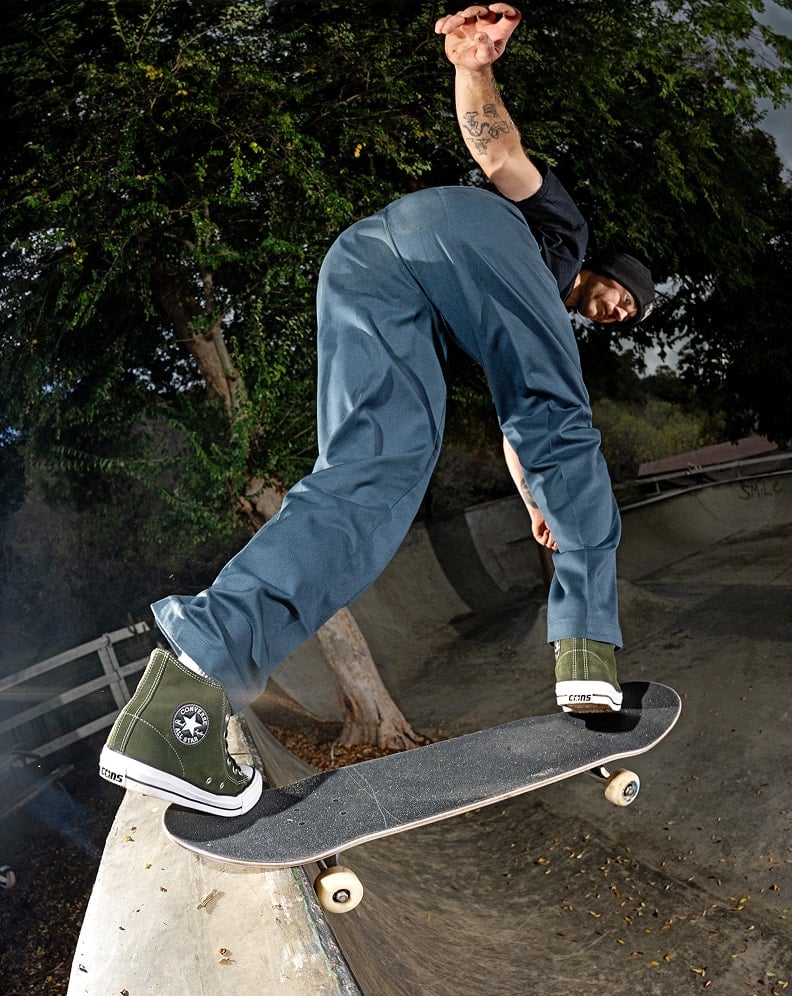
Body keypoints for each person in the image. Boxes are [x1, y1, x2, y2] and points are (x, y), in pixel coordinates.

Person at [98, 4, 656, 817]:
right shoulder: (560, 233)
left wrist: (538, 500)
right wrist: (472, 67)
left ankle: (181, 705)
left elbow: (516, 426)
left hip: (365, 261)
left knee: (368, 480)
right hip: (462, 227)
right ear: (602, 273)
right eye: (621, 297)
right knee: (562, 416)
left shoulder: (522, 316)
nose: (617, 312)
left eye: (627, 318)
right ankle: (588, 647)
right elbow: (498, 150)